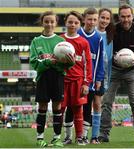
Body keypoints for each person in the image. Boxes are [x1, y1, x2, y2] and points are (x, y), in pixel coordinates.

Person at [98, 4, 134, 143]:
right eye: (123, 16)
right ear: (119, 17)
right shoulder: (112, 29)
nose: (126, 19)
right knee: (106, 101)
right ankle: (104, 134)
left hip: (132, 70)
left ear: (133, 16)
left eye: (128, 16)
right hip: (114, 70)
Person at [29, 11, 74, 147]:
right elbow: (34, 62)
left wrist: (70, 62)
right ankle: (40, 138)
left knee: (58, 107)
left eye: (52, 21)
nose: (49, 24)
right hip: (43, 77)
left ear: (56, 23)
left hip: (58, 77)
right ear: (42, 22)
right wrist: (49, 62)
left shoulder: (61, 42)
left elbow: (68, 63)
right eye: (46, 21)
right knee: (42, 106)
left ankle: (57, 138)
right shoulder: (36, 41)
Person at [63, 8, 104, 145]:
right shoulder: (75, 33)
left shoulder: (98, 38)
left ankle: (84, 136)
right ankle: (68, 136)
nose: (92, 22)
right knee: (71, 107)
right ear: (84, 20)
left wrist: (98, 78)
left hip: (89, 79)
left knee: (87, 108)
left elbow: (98, 60)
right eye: (89, 19)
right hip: (74, 78)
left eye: (94, 19)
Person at [60, 11, 92, 145]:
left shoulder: (83, 42)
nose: (72, 25)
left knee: (78, 110)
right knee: (59, 109)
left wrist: (86, 83)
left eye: (76, 22)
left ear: (80, 24)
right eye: (70, 22)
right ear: (65, 22)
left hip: (78, 81)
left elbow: (88, 64)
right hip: (61, 81)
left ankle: (79, 137)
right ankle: (60, 137)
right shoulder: (59, 40)